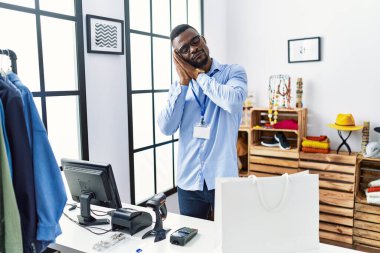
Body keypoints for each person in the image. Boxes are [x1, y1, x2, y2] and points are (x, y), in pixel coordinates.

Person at [157, 24, 247, 220]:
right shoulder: (179, 87)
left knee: (229, 240)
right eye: (184, 49)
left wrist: (198, 75)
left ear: (204, 39)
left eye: (195, 41)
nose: (193, 48)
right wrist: (183, 84)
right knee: (193, 242)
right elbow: (166, 127)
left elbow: (232, 102)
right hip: (189, 182)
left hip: (224, 180)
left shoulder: (232, 73)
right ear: (178, 57)